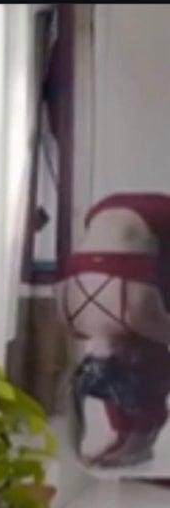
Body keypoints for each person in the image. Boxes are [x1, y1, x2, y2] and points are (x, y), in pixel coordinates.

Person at [60, 192, 170, 468]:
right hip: (119, 280)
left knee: (127, 351)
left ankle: (123, 437)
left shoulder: (107, 207)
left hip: (74, 286)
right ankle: (138, 441)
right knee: (150, 352)